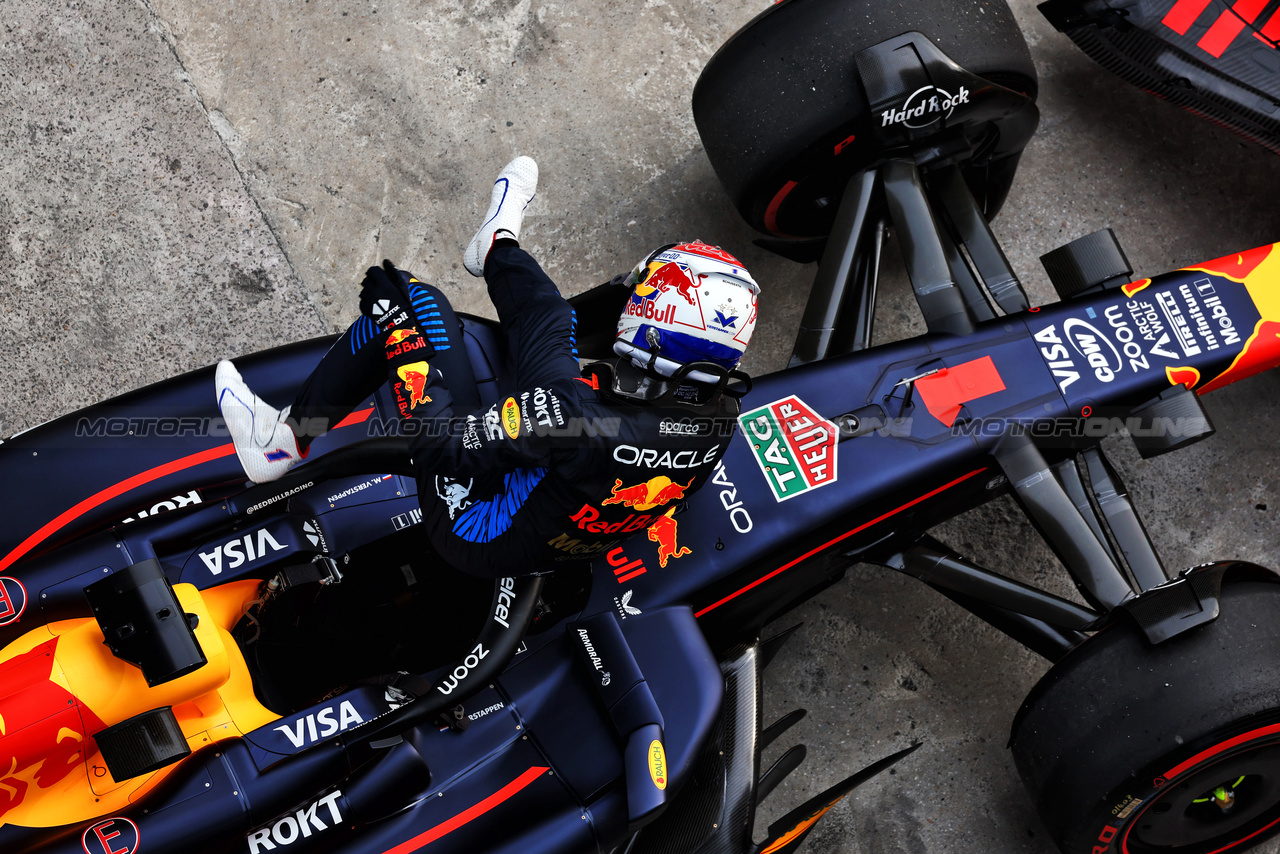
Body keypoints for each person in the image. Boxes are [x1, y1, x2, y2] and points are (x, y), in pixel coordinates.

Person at [216, 156, 760, 578]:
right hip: (570, 495)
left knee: (415, 302)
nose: (633, 301)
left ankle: (281, 442)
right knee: (547, 317)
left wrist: (399, 328)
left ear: (657, 319)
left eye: (643, 295)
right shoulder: (721, 411)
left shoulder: (570, 413)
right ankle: (496, 241)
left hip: (473, 524)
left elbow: (440, 445)